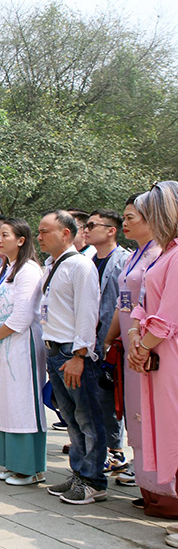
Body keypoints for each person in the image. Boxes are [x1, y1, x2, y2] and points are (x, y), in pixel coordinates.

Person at [37, 210, 104, 505]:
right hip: (54, 350)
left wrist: (79, 355)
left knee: (87, 418)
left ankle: (94, 480)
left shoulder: (80, 266)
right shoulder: (51, 266)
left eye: (45, 231)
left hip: (71, 352)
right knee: (70, 419)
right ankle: (79, 473)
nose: (39, 237)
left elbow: (88, 314)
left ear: (66, 233)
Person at [102, 195, 161, 491]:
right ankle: (145, 480)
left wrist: (142, 341)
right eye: (123, 218)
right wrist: (111, 336)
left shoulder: (159, 255)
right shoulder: (133, 256)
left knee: (149, 412)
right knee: (133, 410)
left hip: (150, 348)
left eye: (131, 218)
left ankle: (157, 481)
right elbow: (122, 304)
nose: (124, 223)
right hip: (129, 345)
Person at [129, 181, 178, 531]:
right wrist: (136, 336)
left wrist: (142, 346)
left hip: (168, 356)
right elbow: (143, 304)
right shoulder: (166, 251)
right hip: (154, 356)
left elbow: (168, 316)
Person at [0, 219, 46, 486]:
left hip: (20, 346)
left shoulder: (29, 270)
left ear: (21, 240)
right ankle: (11, 463)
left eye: (3, 235)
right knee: (4, 401)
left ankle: (30, 468)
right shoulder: (2, 270)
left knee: (22, 403)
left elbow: (22, 315)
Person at [82, 209, 132, 477]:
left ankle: (117, 453)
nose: (86, 230)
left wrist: (111, 339)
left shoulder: (123, 261)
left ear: (111, 230)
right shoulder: (89, 260)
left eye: (92, 225)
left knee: (113, 400)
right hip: (91, 342)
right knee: (97, 400)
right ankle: (106, 450)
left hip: (115, 343)